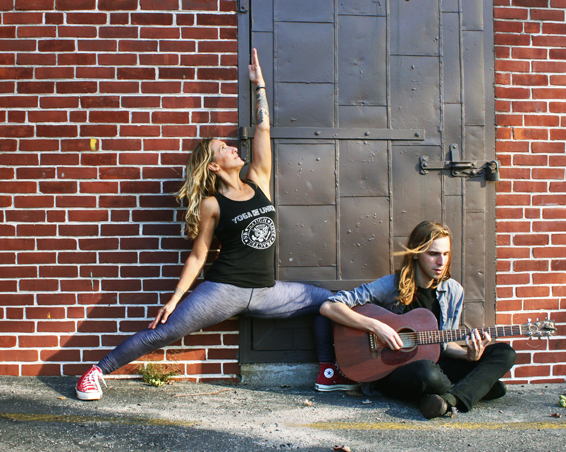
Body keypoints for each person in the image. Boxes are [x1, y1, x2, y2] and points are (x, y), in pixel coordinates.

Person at [76, 49, 359, 400]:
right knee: (163, 331)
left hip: (268, 291)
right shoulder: (213, 204)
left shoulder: (258, 180)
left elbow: (263, 128)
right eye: (223, 148)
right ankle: (94, 373)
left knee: (332, 302)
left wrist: (260, 88)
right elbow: (199, 256)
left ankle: (327, 371)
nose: (232, 148)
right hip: (223, 290)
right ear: (213, 166)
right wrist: (176, 298)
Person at [318, 221, 516, 419]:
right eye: (433, 254)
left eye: (446, 254)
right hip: (394, 372)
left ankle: (448, 400)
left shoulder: (453, 291)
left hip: (437, 366)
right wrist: (376, 327)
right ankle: (473, 389)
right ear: (415, 253)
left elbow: (445, 345)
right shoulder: (391, 286)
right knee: (428, 373)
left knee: (505, 352)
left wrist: (469, 356)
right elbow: (329, 307)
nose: (441, 262)